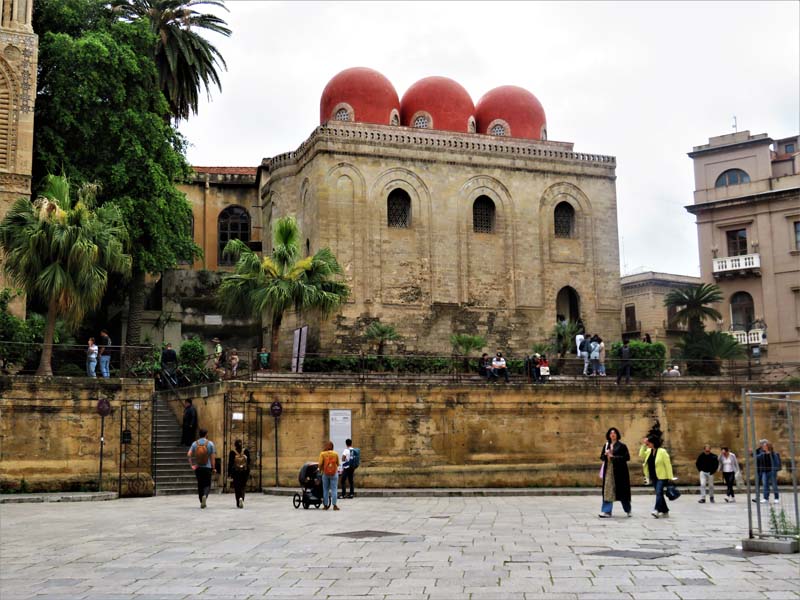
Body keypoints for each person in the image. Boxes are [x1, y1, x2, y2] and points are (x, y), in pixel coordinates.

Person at [639, 422, 674, 518]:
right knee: (659, 494)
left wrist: (670, 477)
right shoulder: (649, 451)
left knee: (659, 492)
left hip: (662, 476)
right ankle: (665, 509)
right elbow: (641, 454)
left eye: (649, 443)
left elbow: (668, 465)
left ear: (654, 443)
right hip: (653, 476)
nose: (648, 444)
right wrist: (644, 445)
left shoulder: (662, 452)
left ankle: (656, 510)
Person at [598, 427, 632, 518]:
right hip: (609, 471)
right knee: (607, 490)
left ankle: (628, 509)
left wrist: (613, 457)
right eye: (611, 433)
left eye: (614, 433)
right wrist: (605, 455)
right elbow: (601, 457)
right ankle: (607, 511)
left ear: (617, 435)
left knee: (622, 492)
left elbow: (627, 457)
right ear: (609, 435)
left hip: (620, 472)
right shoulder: (606, 445)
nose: (612, 434)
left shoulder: (622, 446)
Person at [188, 428, 216, 509]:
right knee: (207, 484)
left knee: (200, 484)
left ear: (199, 434)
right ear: (206, 434)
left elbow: (189, 454)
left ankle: (201, 500)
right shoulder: (210, 444)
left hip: (198, 468)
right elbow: (212, 458)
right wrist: (213, 468)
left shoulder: (195, 443)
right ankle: (205, 496)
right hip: (207, 468)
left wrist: (192, 465)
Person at [228, 439, 250, 509]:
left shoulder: (232, 452)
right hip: (244, 471)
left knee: (237, 487)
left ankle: (238, 501)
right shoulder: (246, 451)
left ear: (235, 445)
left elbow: (230, 463)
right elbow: (249, 461)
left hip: (236, 471)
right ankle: (242, 499)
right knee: (243, 486)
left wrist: (229, 474)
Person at [318, 440, 340, 510]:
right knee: (334, 489)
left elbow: (320, 464)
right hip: (334, 473)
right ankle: (335, 505)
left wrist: (320, 470)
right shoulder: (335, 454)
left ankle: (325, 505)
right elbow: (338, 463)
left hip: (325, 473)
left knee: (325, 489)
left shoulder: (322, 454)